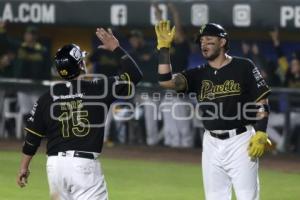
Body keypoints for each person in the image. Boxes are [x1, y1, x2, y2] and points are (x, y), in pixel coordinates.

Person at [16, 27, 142, 199]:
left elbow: (32, 138)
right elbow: (135, 75)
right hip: (83, 166)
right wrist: (116, 48)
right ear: (80, 65)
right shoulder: (98, 88)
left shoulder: (47, 98)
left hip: (54, 166)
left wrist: (24, 167)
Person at [155, 20, 271, 200]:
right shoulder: (198, 74)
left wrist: (261, 132)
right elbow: (165, 81)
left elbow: (262, 101)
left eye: (209, 40)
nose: (204, 44)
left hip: (241, 141)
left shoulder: (244, 66)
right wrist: (164, 50)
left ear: (222, 42)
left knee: (247, 197)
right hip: (211, 143)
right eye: (201, 41)